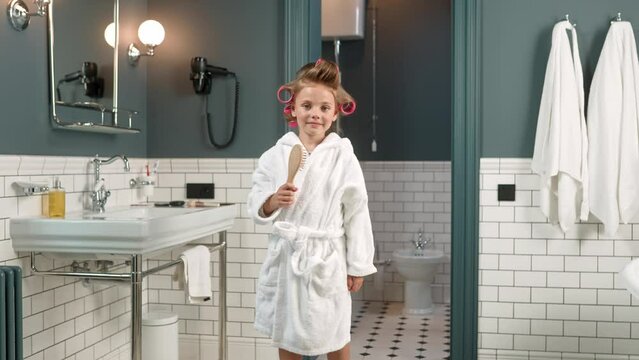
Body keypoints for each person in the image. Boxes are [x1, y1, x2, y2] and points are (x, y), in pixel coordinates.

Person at [247, 59, 376, 360]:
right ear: (292, 109)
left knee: (335, 334)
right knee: (288, 336)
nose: (314, 114)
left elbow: (357, 211)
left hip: (327, 260)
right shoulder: (274, 156)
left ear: (334, 114)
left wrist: (358, 264)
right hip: (288, 258)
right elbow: (256, 200)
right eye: (306, 106)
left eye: (323, 108)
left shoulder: (344, 157)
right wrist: (272, 201)